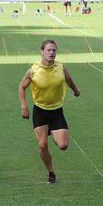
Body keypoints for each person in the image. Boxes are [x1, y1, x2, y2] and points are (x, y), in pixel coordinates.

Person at [18, 39, 80, 184]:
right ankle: (51, 172)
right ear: (42, 52)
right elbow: (21, 86)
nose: (52, 53)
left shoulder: (61, 67)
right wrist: (24, 106)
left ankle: (52, 130)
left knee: (63, 145)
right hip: (40, 111)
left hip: (57, 111)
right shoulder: (33, 70)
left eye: (54, 50)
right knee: (42, 145)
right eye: (49, 50)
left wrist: (76, 90)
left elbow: (69, 79)